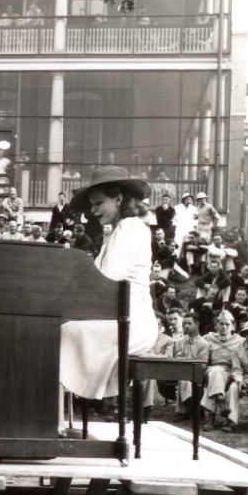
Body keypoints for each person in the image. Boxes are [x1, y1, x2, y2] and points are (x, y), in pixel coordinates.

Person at [60, 167, 158, 402]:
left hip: (132, 319)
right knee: (59, 328)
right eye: (92, 204)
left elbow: (107, 278)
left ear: (119, 198)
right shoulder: (116, 231)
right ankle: (53, 416)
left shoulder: (131, 227)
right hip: (117, 313)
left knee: (63, 331)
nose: (93, 210)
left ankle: (50, 417)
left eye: (98, 203)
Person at [200, 310, 244, 430]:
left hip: (230, 373)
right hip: (211, 371)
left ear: (233, 326)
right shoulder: (208, 338)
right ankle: (221, 401)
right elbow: (197, 346)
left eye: (227, 324)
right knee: (216, 372)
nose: (224, 327)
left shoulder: (239, 341)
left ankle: (211, 419)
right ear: (216, 325)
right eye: (221, 324)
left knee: (217, 378)